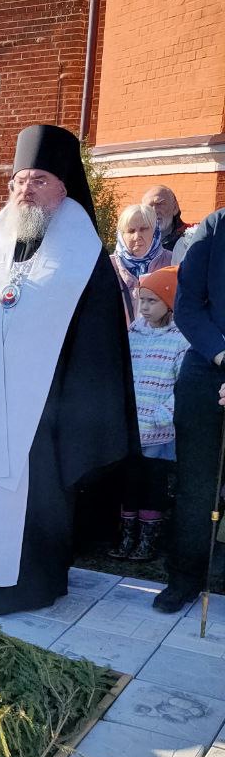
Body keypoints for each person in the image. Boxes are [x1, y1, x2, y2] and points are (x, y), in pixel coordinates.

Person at [0, 123, 138, 614]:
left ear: (64, 188)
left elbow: (98, 345)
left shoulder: (82, 254)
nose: (26, 190)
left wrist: (73, 410)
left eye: (39, 180)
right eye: (19, 180)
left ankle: (22, 587)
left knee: (29, 496)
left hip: (43, 411)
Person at [154, 208, 225, 612]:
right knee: (196, 485)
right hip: (208, 364)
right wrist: (221, 355)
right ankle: (185, 576)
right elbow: (187, 306)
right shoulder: (215, 227)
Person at [109, 268, 188, 562]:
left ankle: (147, 540)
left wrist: (163, 414)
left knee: (152, 484)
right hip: (132, 427)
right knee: (129, 482)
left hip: (158, 430)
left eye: (152, 301)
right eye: (141, 300)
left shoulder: (181, 340)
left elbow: (183, 386)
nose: (143, 307)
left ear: (170, 302)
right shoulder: (133, 333)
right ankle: (127, 535)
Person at [111, 203, 172, 321]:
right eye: (131, 231)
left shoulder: (173, 262)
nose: (137, 236)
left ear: (155, 231)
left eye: (144, 229)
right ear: (121, 235)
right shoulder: (107, 267)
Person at [143, 185, 190, 253]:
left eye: (159, 204)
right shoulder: (138, 239)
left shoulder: (192, 236)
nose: (154, 211)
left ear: (175, 207)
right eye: (149, 206)